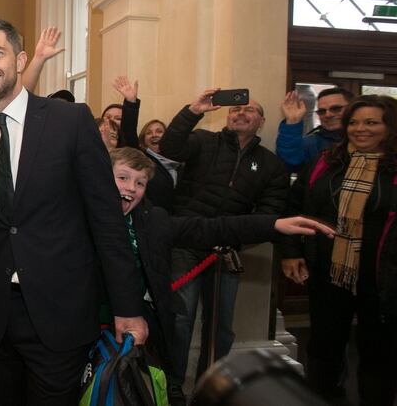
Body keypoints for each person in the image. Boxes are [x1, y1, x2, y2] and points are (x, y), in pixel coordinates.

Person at [0, 14, 148, 406]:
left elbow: (106, 222)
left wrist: (127, 308)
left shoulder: (69, 122)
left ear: (20, 60)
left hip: (60, 313)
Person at [109, 147, 334, 402]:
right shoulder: (79, 219)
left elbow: (212, 227)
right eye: (123, 177)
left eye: (140, 182)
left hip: (144, 328)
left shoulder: (154, 220)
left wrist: (274, 225)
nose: (131, 187)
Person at [158, 89, 289, 401]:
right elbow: (170, 146)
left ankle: (211, 386)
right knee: (180, 319)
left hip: (226, 251)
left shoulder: (271, 166)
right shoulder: (204, 141)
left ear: (262, 121)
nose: (241, 113)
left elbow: (268, 215)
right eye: (236, 109)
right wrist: (193, 110)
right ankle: (173, 386)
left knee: (222, 326)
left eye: (250, 110)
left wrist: (236, 237)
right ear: (227, 116)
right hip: (185, 245)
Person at [278, 95, 397, 406]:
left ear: (390, 127)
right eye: (354, 122)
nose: (361, 129)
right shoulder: (326, 162)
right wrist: (291, 252)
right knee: (324, 349)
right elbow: (295, 206)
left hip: (384, 280)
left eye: (371, 122)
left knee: (379, 354)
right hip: (330, 273)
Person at [112, 75, 180, 212]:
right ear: (143, 140)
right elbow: (128, 131)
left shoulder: (181, 162)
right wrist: (131, 102)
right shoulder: (141, 159)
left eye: (159, 131)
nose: (154, 135)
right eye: (149, 132)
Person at [276, 87, 353, 173]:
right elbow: (289, 165)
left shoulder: (366, 137)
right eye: (322, 111)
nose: (328, 115)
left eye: (336, 109)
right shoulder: (312, 142)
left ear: (352, 108)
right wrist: (292, 122)